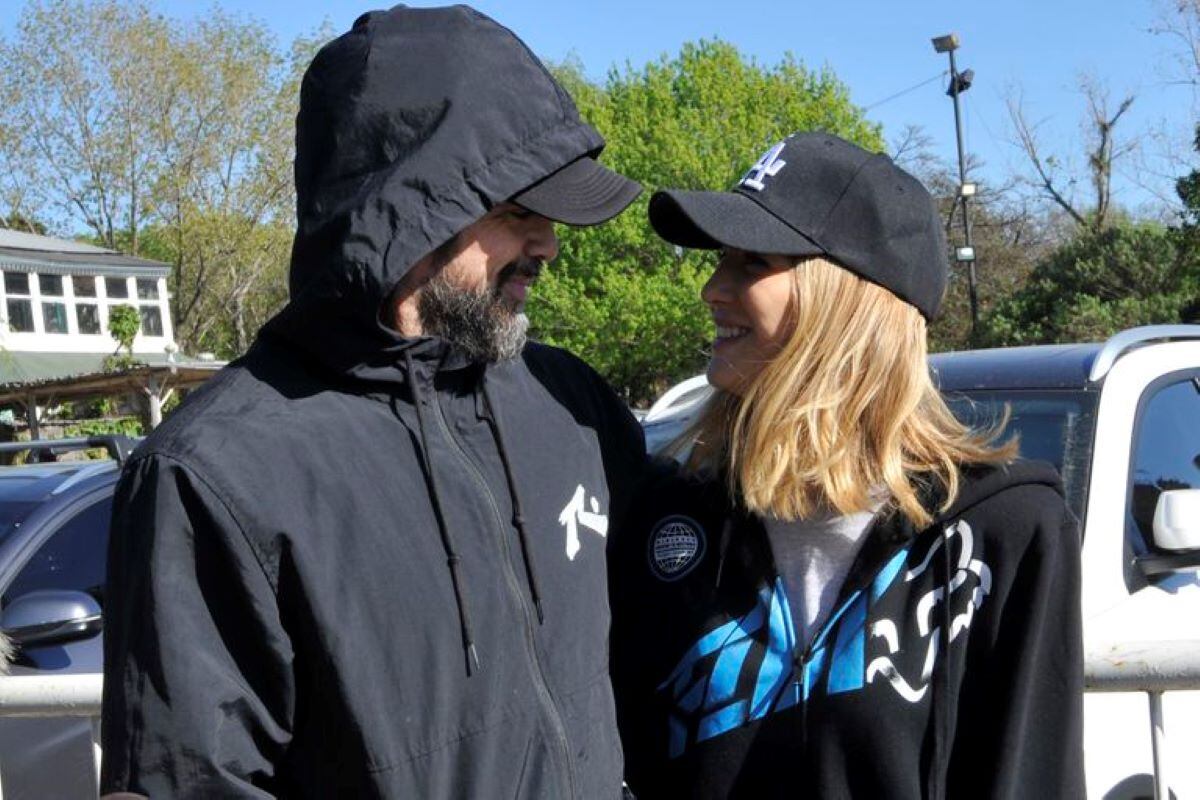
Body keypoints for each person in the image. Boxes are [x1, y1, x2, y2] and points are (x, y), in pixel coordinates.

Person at [100, 6, 646, 798]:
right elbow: (191, 781)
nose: (550, 245)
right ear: (412, 206)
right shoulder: (215, 475)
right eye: (519, 212)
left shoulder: (568, 403)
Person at [610, 132, 1084, 798]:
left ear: (849, 302)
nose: (712, 289)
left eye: (751, 262)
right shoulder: (667, 512)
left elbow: (1030, 779)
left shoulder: (1006, 532)